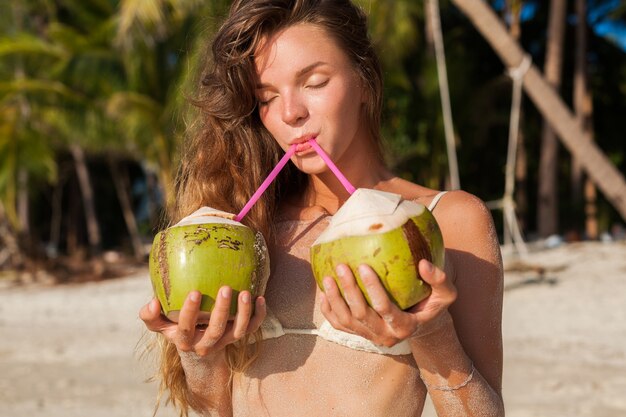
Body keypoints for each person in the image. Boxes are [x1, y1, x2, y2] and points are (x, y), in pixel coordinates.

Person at [139, 0, 505, 416]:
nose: (290, 113)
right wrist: (198, 354)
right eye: (267, 97)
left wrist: (433, 335)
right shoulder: (246, 231)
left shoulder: (446, 220)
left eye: (314, 82)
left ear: (364, 80)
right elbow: (217, 410)